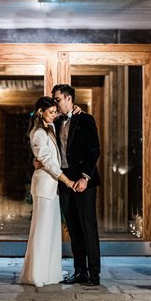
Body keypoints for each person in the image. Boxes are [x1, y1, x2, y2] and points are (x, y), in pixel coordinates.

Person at [19, 96, 77, 287]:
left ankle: (51, 272)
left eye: (55, 111)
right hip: (44, 187)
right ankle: (36, 275)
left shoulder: (50, 127)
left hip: (52, 188)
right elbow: (47, 160)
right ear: (40, 112)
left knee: (52, 232)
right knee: (41, 231)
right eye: (51, 112)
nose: (54, 115)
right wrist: (67, 180)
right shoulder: (37, 133)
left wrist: (76, 110)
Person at [52, 83, 102, 286]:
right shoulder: (55, 122)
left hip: (84, 182)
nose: (55, 103)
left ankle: (94, 274)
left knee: (88, 227)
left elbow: (94, 150)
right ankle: (79, 271)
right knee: (73, 228)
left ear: (69, 99)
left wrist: (84, 177)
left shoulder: (86, 119)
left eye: (58, 99)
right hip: (64, 182)